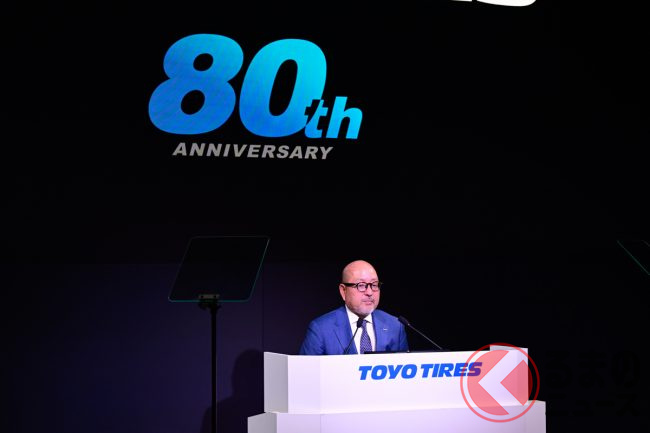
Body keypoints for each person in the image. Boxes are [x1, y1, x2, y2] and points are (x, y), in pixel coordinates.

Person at [299, 259, 409, 355]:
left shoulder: (395, 326)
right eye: (361, 285)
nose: (369, 292)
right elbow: (306, 370)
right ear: (343, 291)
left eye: (374, 285)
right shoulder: (321, 329)